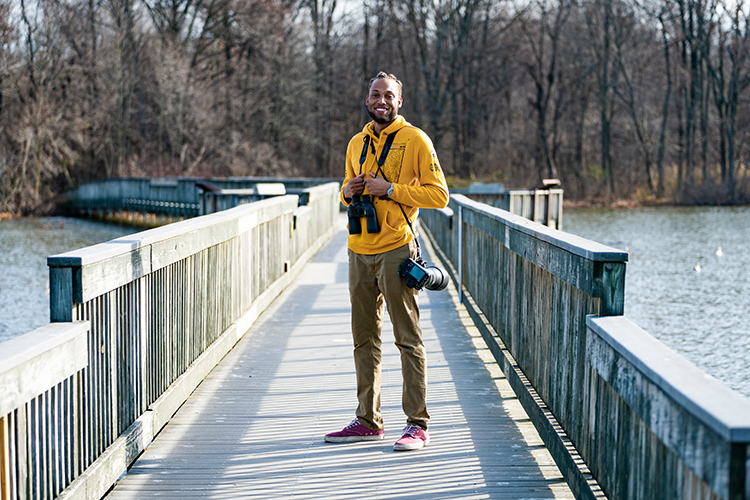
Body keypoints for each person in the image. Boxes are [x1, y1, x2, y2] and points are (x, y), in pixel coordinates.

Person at [324, 72, 449, 451]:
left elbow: (440, 195)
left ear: (400, 101)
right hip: (358, 250)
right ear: (367, 100)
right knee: (363, 340)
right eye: (375, 95)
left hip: (397, 248)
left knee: (407, 338)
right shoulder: (356, 143)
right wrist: (347, 192)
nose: (382, 101)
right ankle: (368, 420)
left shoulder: (415, 140)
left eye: (389, 96)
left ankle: (417, 424)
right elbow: (346, 197)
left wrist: (390, 189)